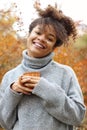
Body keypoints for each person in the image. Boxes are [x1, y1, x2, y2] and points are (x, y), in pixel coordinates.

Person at [0, 2, 86, 130]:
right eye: (38, 33)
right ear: (29, 34)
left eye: (50, 38)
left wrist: (45, 88)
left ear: (54, 47)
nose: (41, 39)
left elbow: (78, 117)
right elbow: (4, 123)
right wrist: (13, 92)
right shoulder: (10, 76)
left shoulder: (65, 73)